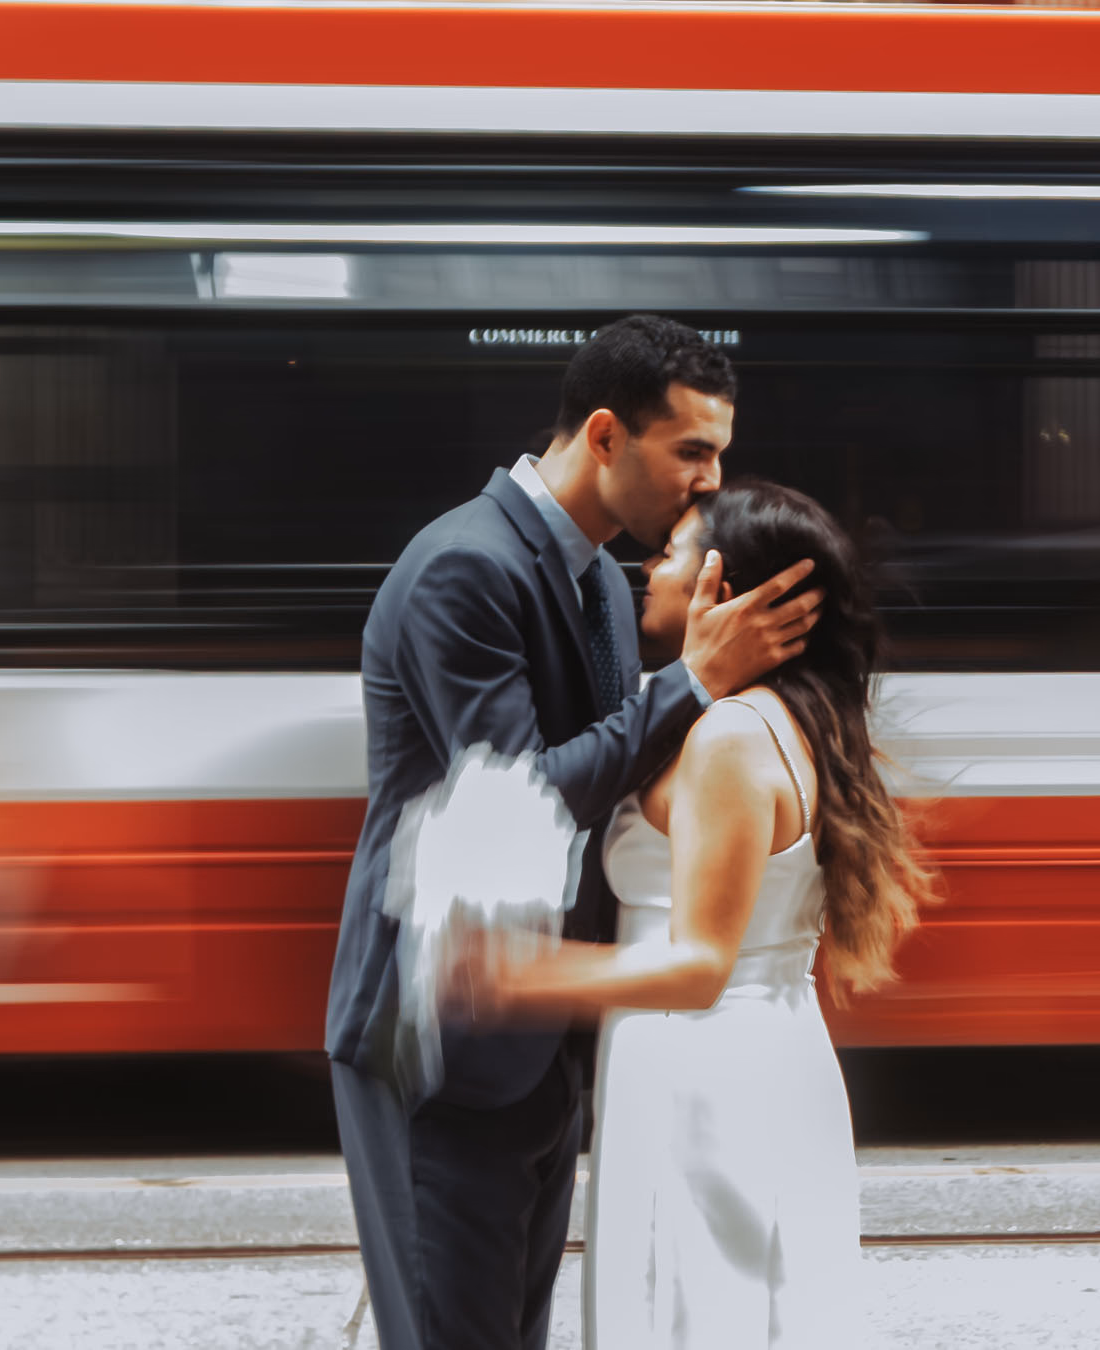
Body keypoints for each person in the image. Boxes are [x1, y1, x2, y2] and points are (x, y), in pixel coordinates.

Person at [324, 315, 823, 1350]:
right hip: (445, 1037)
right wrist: (692, 684)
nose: (708, 481)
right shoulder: (464, 568)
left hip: (544, 1045)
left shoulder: (599, 577)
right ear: (605, 435)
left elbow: (621, 766)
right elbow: (525, 797)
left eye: (719, 453)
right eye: (692, 450)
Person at [461, 480, 940, 1349]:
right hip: (755, 1058)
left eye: (673, 552)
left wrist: (522, 972)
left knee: (690, 1314)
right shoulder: (793, 718)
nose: (650, 567)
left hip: (701, 1072)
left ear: (726, 587)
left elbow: (700, 964)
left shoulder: (728, 739)